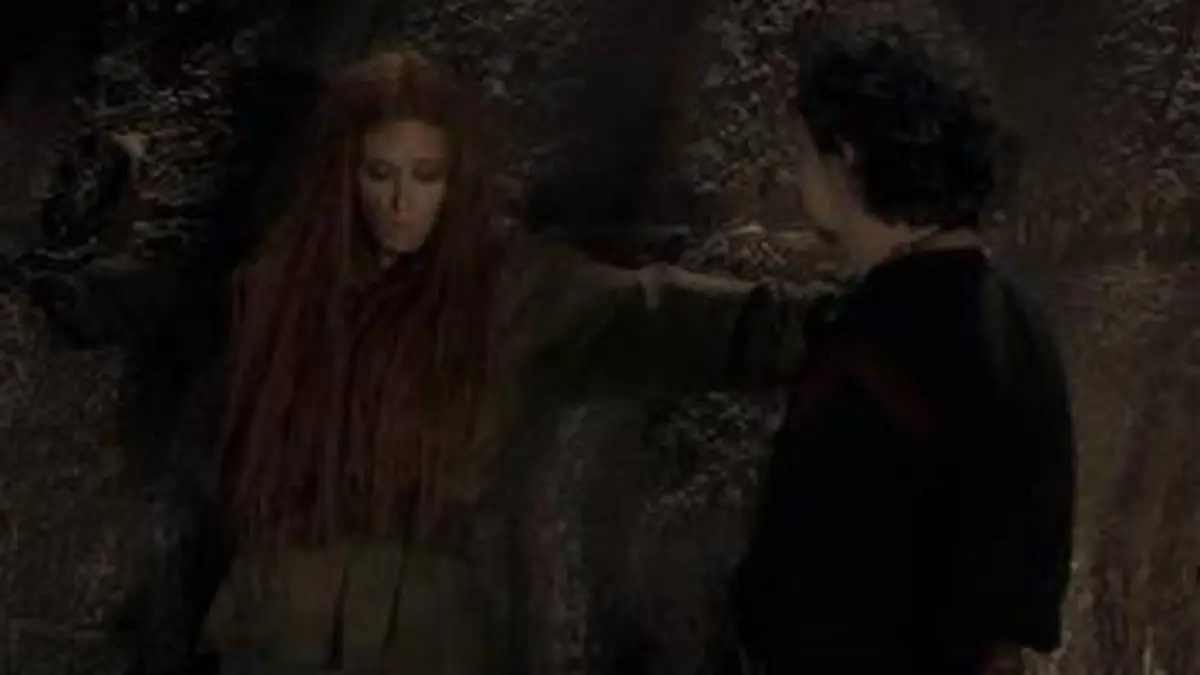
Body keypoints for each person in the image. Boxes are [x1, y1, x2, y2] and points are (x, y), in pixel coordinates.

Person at [30, 49, 826, 673]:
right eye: (378, 174)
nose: (400, 200)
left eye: (425, 176)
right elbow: (182, 302)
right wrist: (74, 290)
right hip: (275, 615)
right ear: (346, 178)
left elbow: (665, 312)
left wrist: (851, 320)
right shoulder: (286, 287)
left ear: (455, 179)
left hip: (420, 629)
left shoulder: (509, 289)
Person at [730, 32, 1075, 675]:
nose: (793, 178)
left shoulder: (867, 346)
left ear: (848, 158)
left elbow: (810, 598)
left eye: (802, 155)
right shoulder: (1024, 319)